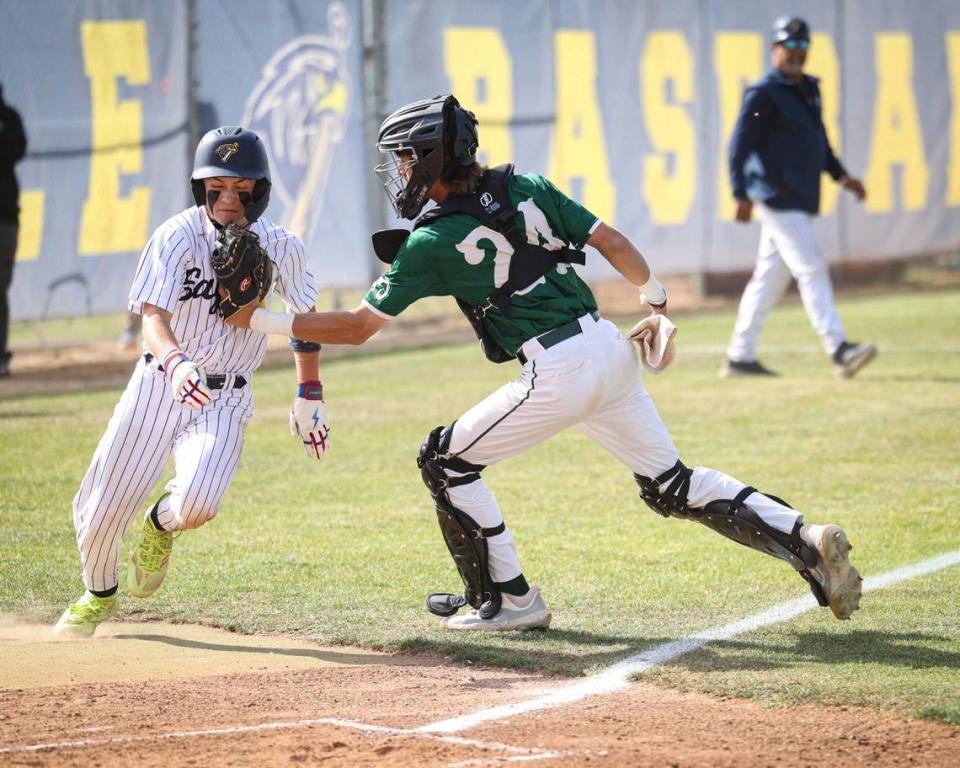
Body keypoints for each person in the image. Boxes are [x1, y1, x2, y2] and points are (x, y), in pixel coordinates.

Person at [227, 94, 862, 631]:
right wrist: (657, 299)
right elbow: (611, 242)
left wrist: (257, 318)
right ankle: (803, 537)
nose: (397, 171)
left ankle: (509, 601)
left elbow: (358, 327)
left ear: (429, 159)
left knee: (444, 461)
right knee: (672, 483)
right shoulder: (525, 187)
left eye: (402, 158)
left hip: (559, 369)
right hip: (610, 350)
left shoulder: (431, 239)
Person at [54, 126, 327, 637]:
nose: (227, 198)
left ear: (259, 189)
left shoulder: (282, 246)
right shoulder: (177, 235)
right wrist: (177, 362)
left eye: (240, 187)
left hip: (227, 396)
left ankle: (160, 525)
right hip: (161, 384)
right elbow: (152, 317)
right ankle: (99, 594)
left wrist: (309, 392)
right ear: (199, 187)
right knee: (101, 511)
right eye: (215, 186)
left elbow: (305, 317)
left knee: (200, 502)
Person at [722, 16, 876, 379]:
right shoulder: (763, 93)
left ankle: (739, 356)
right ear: (774, 49)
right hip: (776, 197)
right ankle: (839, 348)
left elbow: (819, 142)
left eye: (802, 47)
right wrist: (739, 193)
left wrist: (842, 177)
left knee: (768, 279)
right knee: (812, 268)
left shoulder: (808, 89)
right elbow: (739, 146)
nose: (795, 53)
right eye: (788, 46)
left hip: (800, 196)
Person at [0, 82, 27, 378]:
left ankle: (0, 356)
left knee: (0, 287)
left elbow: (15, 148)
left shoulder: (8, 117)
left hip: (4, 218)